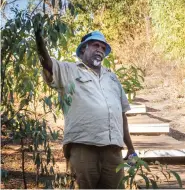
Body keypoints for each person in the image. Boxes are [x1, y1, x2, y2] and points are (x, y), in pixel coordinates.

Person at [34, 30, 135, 189]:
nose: (100, 49)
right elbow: (47, 63)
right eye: (96, 45)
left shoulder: (112, 78)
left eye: (103, 47)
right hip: (83, 148)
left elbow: (121, 115)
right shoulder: (70, 70)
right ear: (83, 49)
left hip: (113, 152)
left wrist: (131, 148)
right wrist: (39, 40)